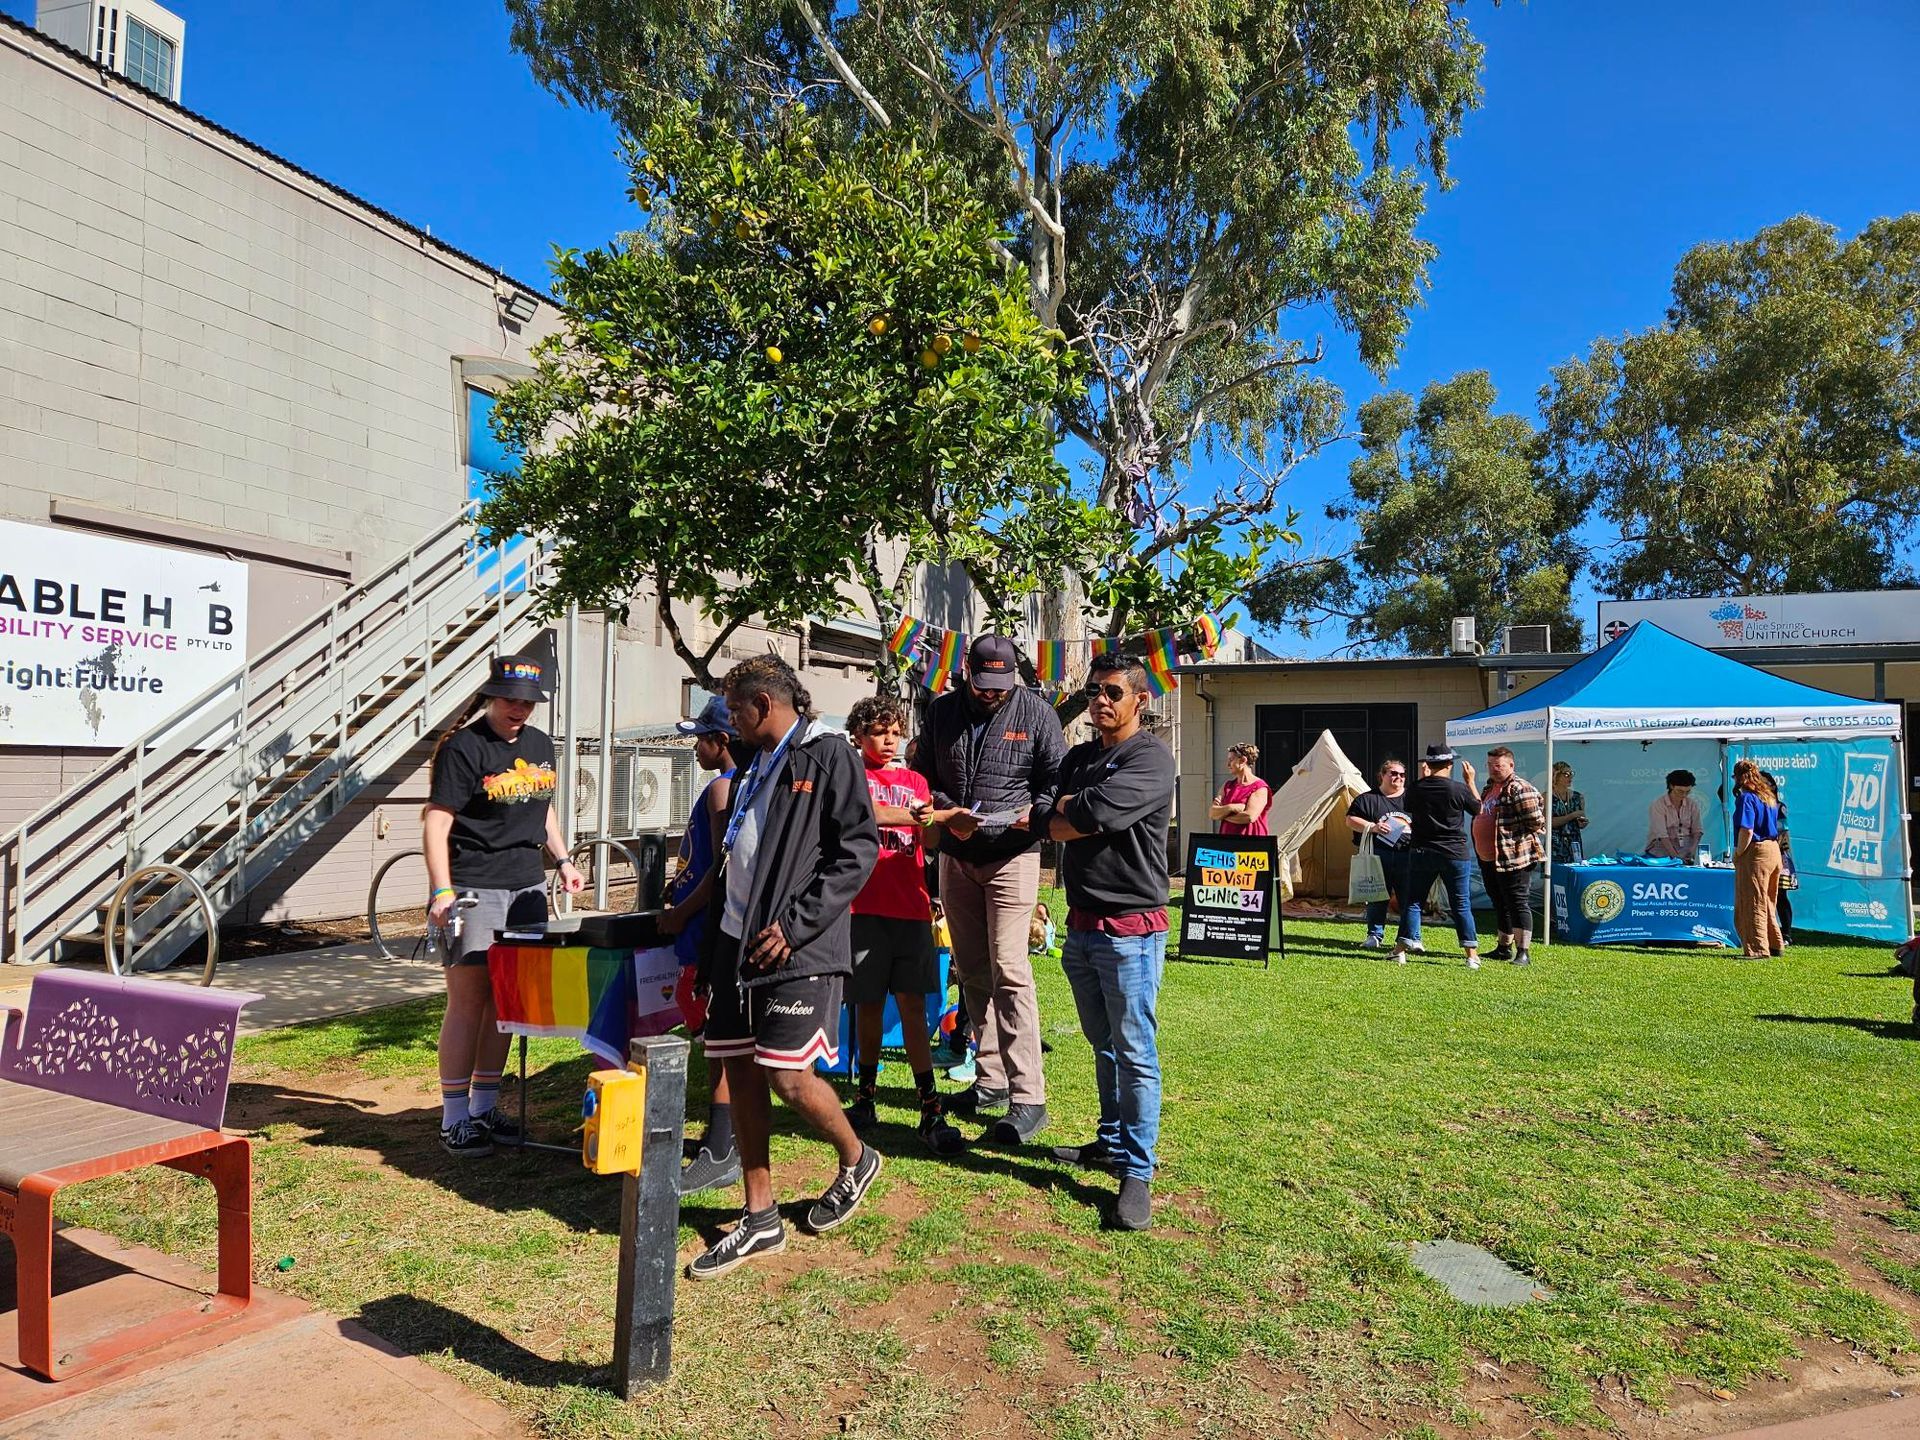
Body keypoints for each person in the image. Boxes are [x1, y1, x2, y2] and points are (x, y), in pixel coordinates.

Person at [686, 654, 881, 1280]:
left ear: (764, 705)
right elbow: (735, 861)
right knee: (737, 1068)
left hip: (796, 948)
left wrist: (795, 927)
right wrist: (713, 953)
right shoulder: (752, 768)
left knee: (786, 1075)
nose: (732, 723)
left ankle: (856, 1155)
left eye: (737, 710)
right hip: (736, 946)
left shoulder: (826, 754)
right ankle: (760, 1214)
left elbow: (858, 849)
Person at [423, 653, 586, 1158]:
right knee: (469, 1001)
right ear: (492, 695)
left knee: (505, 1004)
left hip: (526, 889)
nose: (520, 710)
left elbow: (545, 809)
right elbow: (436, 821)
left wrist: (561, 859)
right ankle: (453, 1117)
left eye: (529, 702)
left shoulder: (539, 745)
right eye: (512, 699)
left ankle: (483, 1105)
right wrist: (441, 890)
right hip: (475, 887)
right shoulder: (464, 747)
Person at [911, 635, 1066, 1145]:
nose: (992, 694)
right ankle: (991, 1079)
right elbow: (923, 778)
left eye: (1002, 685)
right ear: (967, 674)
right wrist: (944, 809)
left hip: (1013, 855)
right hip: (957, 857)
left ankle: (1029, 1097)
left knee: (1011, 969)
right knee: (973, 970)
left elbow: (1054, 779)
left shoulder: (1039, 713)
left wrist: (1036, 815)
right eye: (984, 684)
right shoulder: (941, 712)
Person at [1045, 653, 1177, 1231]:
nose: (1101, 701)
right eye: (1096, 691)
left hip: (1132, 931)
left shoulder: (1150, 757)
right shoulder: (1079, 756)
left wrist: (1074, 809)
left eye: (1113, 693)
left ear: (1139, 700)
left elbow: (1096, 813)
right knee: (1103, 1046)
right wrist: (1070, 810)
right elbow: (1049, 813)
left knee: (1135, 1053)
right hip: (1080, 927)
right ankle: (1108, 1142)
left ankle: (1136, 1172)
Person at [841, 696, 965, 1156]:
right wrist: (918, 814)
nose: (888, 740)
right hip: (862, 909)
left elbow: (929, 838)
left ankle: (929, 1106)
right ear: (858, 736)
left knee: (913, 1007)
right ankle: (865, 1098)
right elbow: (864, 814)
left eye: (895, 731)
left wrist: (933, 818)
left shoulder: (916, 780)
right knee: (867, 1006)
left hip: (910, 908)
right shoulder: (850, 776)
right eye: (878, 732)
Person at [660, 695, 743, 1194]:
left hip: (706, 928)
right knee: (718, 1037)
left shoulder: (721, 790)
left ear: (721, 741)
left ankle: (721, 1143)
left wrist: (680, 912)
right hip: (709, 924)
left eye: (700, 740)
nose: (695, 750)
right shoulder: (738, 786)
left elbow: (720, 871)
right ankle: (724, 1135)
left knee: (716, 1039)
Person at [1395, 745, 1482, 970]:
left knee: (1413, 901)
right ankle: (1471, 955)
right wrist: (1471, 781)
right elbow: (1478, 809)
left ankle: (1400, 951)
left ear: (1428, 764)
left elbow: (1408, 806)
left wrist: (1423, 780)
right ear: (1449, 764)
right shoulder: (1459, 788)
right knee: (1460, 903)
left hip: (1422, 850)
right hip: (1454, 852)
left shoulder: (1415, 788)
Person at [1473, 747, 1547, 966]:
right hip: (1489, 857)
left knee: (1517, 902)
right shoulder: (1490, 787)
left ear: (1511, 765)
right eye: (1490, 765)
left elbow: (1536, 821)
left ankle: (1523, 952)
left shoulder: (1520, 788)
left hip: (1514, 857)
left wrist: (1514, 836)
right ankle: (1503, 947)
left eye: (1499, 765)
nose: (1494, 770)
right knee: (1500, 901)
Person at [1345, 759, 1421, 952]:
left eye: (1402, 775)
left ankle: (1413, 938)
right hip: (1379, 855)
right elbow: (1350, 820)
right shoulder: (1367, 799)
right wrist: (1373, 827)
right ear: (1382, 775)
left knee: (1409, 899)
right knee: (1377, 896)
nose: (1398, 778)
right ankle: (1374, 935)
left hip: (1408, 856)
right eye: (1393, 774)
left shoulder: (1412, 799)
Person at [1732, 760, 1785, 959]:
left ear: (1738, 777)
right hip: (1774, 850)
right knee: (1769, 899)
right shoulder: (1767, 796)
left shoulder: (1746, 797)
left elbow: (1747, 829)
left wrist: (1738, 853)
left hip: (1756, 852)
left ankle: (1757, 949)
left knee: (1752, 901)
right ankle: (1775, 944)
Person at [1208, 743, 1271, 836]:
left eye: (1231, 760)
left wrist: (1223, 814)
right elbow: (1212, 813)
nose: (1228, 764)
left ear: (1242, 760)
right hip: (1228, 843)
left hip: (1251, 844)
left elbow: (1249, 816)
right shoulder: (1227, 786)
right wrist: (1232, 807)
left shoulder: (1260, 787)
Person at [1646, 770, 1704, 861]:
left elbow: (1697, 830)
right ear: (1671, 786)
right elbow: (1662, 835)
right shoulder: (1658, 805)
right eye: (1680, 791)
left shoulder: (1692, 804)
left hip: (1686, 850)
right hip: (1661, 851)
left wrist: (1692, 850)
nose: (1684, 795)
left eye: (1688, 791)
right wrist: (1676, 857)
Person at [1765, 770, 1795, 946]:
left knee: (1781, 895)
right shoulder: (1754, 803)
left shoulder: (1779, 806)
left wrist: (1774, 848)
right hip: (1764, 853)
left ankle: (1787, 933)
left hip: (1779, 854)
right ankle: (1769, 931)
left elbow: (1783, 831)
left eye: (1767, 783)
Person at [1549, 761, 1587, 865]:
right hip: (1555, 844)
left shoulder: (1578, 797)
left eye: (1571, 774)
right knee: (1556, 877)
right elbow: (1548, 823)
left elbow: (1581, 821)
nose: (1570, 777)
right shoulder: (1547, 797)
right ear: (1556, 776)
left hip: (1574, 843)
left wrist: (1582, 823)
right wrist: (1572, 815)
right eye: (1566, 774)